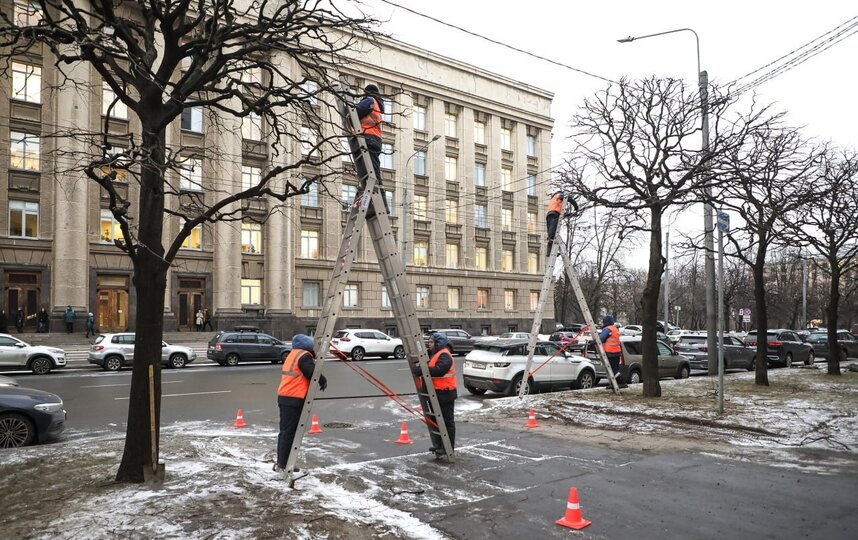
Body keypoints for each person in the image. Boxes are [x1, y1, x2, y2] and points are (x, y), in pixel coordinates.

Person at [274, 334, 327, 473]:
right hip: (293, 398)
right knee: (289, 433)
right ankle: (283, 464)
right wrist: (322, 379)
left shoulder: (293, 354)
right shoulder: (304, 356)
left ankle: (283, 463)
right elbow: (311, 371)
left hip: (286, 396)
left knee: (285, 432)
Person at [413, 332, 457, 457]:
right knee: (436, 420)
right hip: (436, 393)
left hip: (445, 393)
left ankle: (448, 448)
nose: (429, 344)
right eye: (429, 342)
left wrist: (421, 370)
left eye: (432, 342)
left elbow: (439, 370)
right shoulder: (435, 354)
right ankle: (439, 444)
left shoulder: (445, 355)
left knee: (447, 422)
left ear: (439, 343)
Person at [598, 315, 627, 389]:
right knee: (615, 369)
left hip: (610, 352)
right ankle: (615, 384)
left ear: (605, 322)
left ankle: (622, 382)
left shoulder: (607, 329)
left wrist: (594, 342)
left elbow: (601, 339)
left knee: (612, 370)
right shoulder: (615, 329)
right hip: (617, 352)